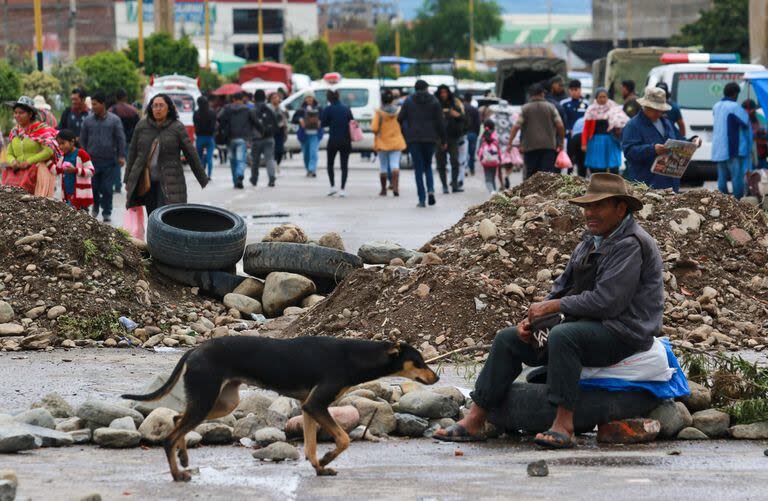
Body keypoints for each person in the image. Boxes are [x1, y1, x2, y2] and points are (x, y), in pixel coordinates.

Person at [434, 173, 663, 448]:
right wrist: (533, 319)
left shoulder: (630, 244)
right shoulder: (591, 240)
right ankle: (475, 418)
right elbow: (563, 287)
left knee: (564, 337)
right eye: (586, 207)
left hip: (623, 331)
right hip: (589, 322)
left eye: (598, 206)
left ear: (621, 208)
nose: (589, 213)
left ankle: (564, 425)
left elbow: (608, 302)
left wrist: (552, 307)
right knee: (509, 339)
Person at [124, 93, 209, 215]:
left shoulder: (177, 127)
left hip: (170, 180)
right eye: (155, 106)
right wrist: (128, 179)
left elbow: (191, 153)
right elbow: (132, 152)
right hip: (147, 181)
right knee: (152, 216)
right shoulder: (142, 126)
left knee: (166, 216)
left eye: (161, 106)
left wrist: (202, 177)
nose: (157, 109)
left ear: (169, 108)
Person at [622, 86, 683, 192]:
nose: (658, 113)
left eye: (660, 111)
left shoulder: (666, 122)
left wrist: (693, 140)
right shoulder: (633, 125)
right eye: (655, 110)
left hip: (670, 182)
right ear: (645, 106)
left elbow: (679, 138)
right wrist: (653, 149)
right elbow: (629, 151)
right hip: (646, 183)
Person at [398, 79, 446, 208]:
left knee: (418, 169)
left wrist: (406, 131)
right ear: (426, 88)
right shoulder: (434, 101)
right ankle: (430, 190)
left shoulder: (408, 101)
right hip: (431, 139)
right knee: (428, 166)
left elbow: (400, 118)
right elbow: (440, 122)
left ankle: (422, 199)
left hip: (414, 139)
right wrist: (443, 139)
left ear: (415, 88)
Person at [79, 92, 126, 223]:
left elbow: (120, 138)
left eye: (95, 104)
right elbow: (82, 139)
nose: (92, 106)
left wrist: (121, 155)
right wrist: (84, 156)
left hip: (109, 161)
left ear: (103, 104)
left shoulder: (114, 120)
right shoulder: (88, 121)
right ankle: (95, 206)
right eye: (92, 104)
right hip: (92, 161)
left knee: (106, 188)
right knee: (93, 187)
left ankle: (107, 211)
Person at [1, 96, 61, 196]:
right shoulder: (15, 131)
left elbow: (49, 151)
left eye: (21, 113)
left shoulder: (41, 130)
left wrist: (29, 162)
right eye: (15, 113)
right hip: (18, 174)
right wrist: (13, 161)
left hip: (37, 173)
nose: (17, 116)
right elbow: (9, 153)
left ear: (30, 114)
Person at [507, 84, 565, 179]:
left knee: (530, 176)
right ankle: (544, 194)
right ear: (542, 94)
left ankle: (530, 194)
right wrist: (561, 143)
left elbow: (516, 126)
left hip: (530, 148)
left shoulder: (525, 108)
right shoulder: (551, 107)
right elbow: (560, 125)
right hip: (549, 148)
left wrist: (510, 143)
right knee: (546, 177)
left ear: (530, 95)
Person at [712, 82, 752, 199]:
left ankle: (723, 201)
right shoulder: (735, 107)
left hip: (718, 147)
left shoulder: (716, 105)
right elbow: (745, 124)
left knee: (722, 177)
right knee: (736, 176)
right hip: (732, 148)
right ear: (735, 94)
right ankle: (737, 201)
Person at [581, 88, 629, 175]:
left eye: (604, 97)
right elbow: (586, 128)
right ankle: (599, 185)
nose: (602, 99)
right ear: (596, 98)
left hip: (611, 141)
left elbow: (622, 122)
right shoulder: (591, 110)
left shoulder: (615, 108)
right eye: (600, 97)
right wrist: (584, 143)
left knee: (613, 166)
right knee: (597, 168)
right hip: (595, 142)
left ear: (608, 97)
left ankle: (614, 186)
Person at [218, 92, 260, 189]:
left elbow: (219, 118)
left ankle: (235, 181)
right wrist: (260, 131)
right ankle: (240, 174)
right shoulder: (247, 109)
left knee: (233, 161)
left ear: (233, 99)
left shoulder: (227, 108)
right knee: (241, 159)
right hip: (243, 138)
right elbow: (255, 122)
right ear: (243, 99)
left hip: (230, 138)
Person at [372, 90, 406, 197]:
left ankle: (383, 190)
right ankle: (395, 187)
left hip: (382, 142)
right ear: (392, 99)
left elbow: (374, 128)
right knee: (395, 165)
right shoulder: (398, 111)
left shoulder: (379, 113)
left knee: (383, 166)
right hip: (396, 141)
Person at [320, 90, 353, 197]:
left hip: (333, 139)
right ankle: (343, 189)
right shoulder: (346, 108)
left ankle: (332, 186)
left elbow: (322, 123)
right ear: (338, 97)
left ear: (328, 98)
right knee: (344, 165)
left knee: (330, 164)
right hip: (345, 140)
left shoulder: (328, 109)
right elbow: (351, 121)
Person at [434, 84, 466, 193]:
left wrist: (456, 115)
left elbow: (464, 119)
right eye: (441, 92)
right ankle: (444, 186)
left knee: (455, 161)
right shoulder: (435, 104)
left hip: (453, 137)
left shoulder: (455, 103)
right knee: (441, 163)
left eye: (445, 92)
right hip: (439, 138)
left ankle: (455, 184)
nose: (443, 95)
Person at [109, 88, 140, 194]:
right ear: (125, 97)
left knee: (117, 164)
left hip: (116, 141)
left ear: (116, 98)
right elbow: (138, 125)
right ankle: (133, 185)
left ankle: (117, 186)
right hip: (131, 139)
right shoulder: (133, 110)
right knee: (132, 163)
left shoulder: (112, 110)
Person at [55, 129, 94, 210]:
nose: (61, 147)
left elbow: (91, 171)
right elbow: (56, 170)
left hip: (80, 196)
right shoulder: (63, 156)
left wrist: (75, 170)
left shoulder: (82, 154)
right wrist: (47, 162)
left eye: (63, 143)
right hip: (67, 194)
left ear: (72, 142)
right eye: (59, 144)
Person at [250, 89, 279, 187]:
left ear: (254, 98)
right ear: (265, 98)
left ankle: (254, 178)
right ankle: (271, 177)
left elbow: (249, 125)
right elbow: (276, 124)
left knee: (255, 160)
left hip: (256, 139)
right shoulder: (269, 109)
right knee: (269, 159)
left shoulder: (252, 110)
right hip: (269, 138)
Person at [292, 92, 322, 177]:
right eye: (307, 97)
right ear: (305, 99)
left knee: (313, 152)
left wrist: (320, 121)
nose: (309, 99)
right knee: (306, 154)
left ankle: (312, 169)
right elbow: (294, 119)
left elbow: (324, 118)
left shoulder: (318, 108)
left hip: (315, 134)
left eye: (311, 97)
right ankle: (308, 169)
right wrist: (300, 120)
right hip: (304, 135)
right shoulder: (301, 109)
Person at [476, 120, 504, 193]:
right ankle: (495, 193)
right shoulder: (495, 136)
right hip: (495, 160)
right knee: (493, 177)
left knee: (488, 179)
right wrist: (500, 160)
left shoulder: (482, 137)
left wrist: (481, 158)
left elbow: (478, 151)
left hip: (485, 161)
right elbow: (499, 149)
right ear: (493, 127)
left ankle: (492, 192)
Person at [193, 96, 217, 178]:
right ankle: (209, 175)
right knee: (209, 157)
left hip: (200, 137)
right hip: (210, 138)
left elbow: (195, 124)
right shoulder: (212, 113)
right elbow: (214, 126)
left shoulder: (196, 113)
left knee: (199, 157)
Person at [743, 99, 768, 170]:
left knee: (763, 174)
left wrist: (761, 132)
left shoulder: (760, 117)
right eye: (746, 110)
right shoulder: (741, 118)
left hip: (761, 152)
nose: (748, 112)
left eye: (751, 109)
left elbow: (766, 131)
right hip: (748, 153)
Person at [270, 92, 289, 170]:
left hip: (281, 130)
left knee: (280, 149)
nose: (275, 99)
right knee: (272, 148)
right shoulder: (269, 108)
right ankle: (273, 163)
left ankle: (278, 162)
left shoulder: (282, 108)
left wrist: (286, 112)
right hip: (271, 131)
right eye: (273, 98)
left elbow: (287, 117)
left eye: (277, 97)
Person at [463, 93, 481, 176]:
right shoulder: (474, 109)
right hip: (473, 133)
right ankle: (472, 169)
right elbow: (478, 123)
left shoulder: (461, 108)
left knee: (463, 152)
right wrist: (477, 133)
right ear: (470, 99)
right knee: (471, 153)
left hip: (462, 133)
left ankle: (464, 169)